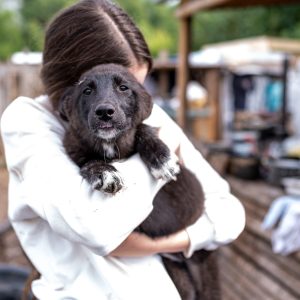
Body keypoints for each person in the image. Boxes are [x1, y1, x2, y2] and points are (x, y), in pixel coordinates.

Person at [0, 0, 245, 299]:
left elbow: (230, 213)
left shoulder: (143, 117)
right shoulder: (28, 122)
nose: (121, 106)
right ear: (71, 85)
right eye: (101, 87)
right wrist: (161, 146)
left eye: (129, 88)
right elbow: (98, 228)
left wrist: (163, 243)